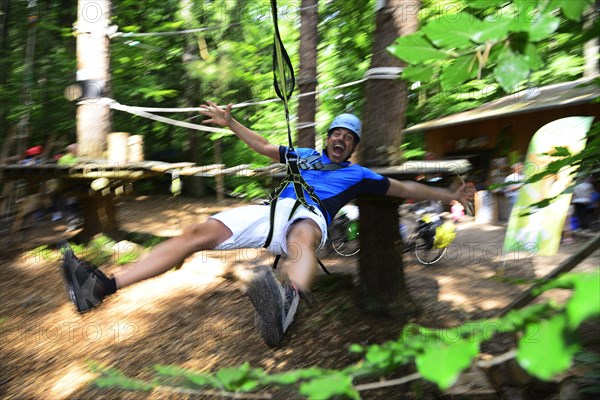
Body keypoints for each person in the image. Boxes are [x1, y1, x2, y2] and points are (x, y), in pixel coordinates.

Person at [60, 101, 474, 346]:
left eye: (348, 137)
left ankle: (286, 301)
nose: (340, 139)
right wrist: (229, 122)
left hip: (310, 217)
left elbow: (406, 191)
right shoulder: (305, 155)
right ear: (328, 136)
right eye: (337, 133)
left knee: (302, 237)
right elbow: (260, 145)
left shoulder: (360, 175)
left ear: (353, 147)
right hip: (270, 211)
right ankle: (101, 287)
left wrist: (449, 196)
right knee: (194, 234)